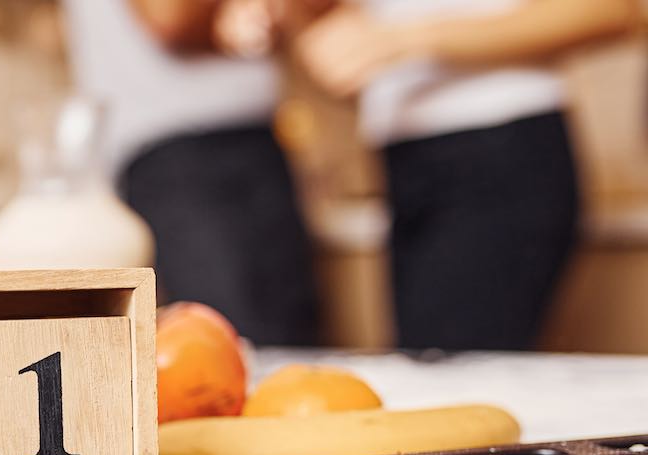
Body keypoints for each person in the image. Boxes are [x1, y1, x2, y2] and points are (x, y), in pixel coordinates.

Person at [272, 0, 638, 350]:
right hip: (405, 159)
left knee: (447, 371)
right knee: (428, 366)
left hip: (500, 146)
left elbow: (609, 10)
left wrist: (403, 38)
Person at [61, 0, 319, 344]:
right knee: (228, 339)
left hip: (249, 143)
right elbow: (169, 16)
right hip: (181, 154)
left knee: (286, 339)